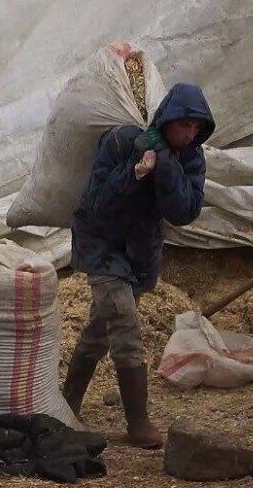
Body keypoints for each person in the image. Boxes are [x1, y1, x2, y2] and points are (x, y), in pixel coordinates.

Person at [62, 82, 215, 448]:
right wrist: (136, 171)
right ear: (167, 120)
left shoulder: (190, 158)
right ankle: (138, 422)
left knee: (100, 330)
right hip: (101, 242)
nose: (189, 134)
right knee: (125, 329)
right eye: (183, 126)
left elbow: (184, 212)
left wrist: (165, 168)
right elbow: (99, 203)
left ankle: (66, 405)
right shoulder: (122, 142)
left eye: (195, 128)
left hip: (138, 251)